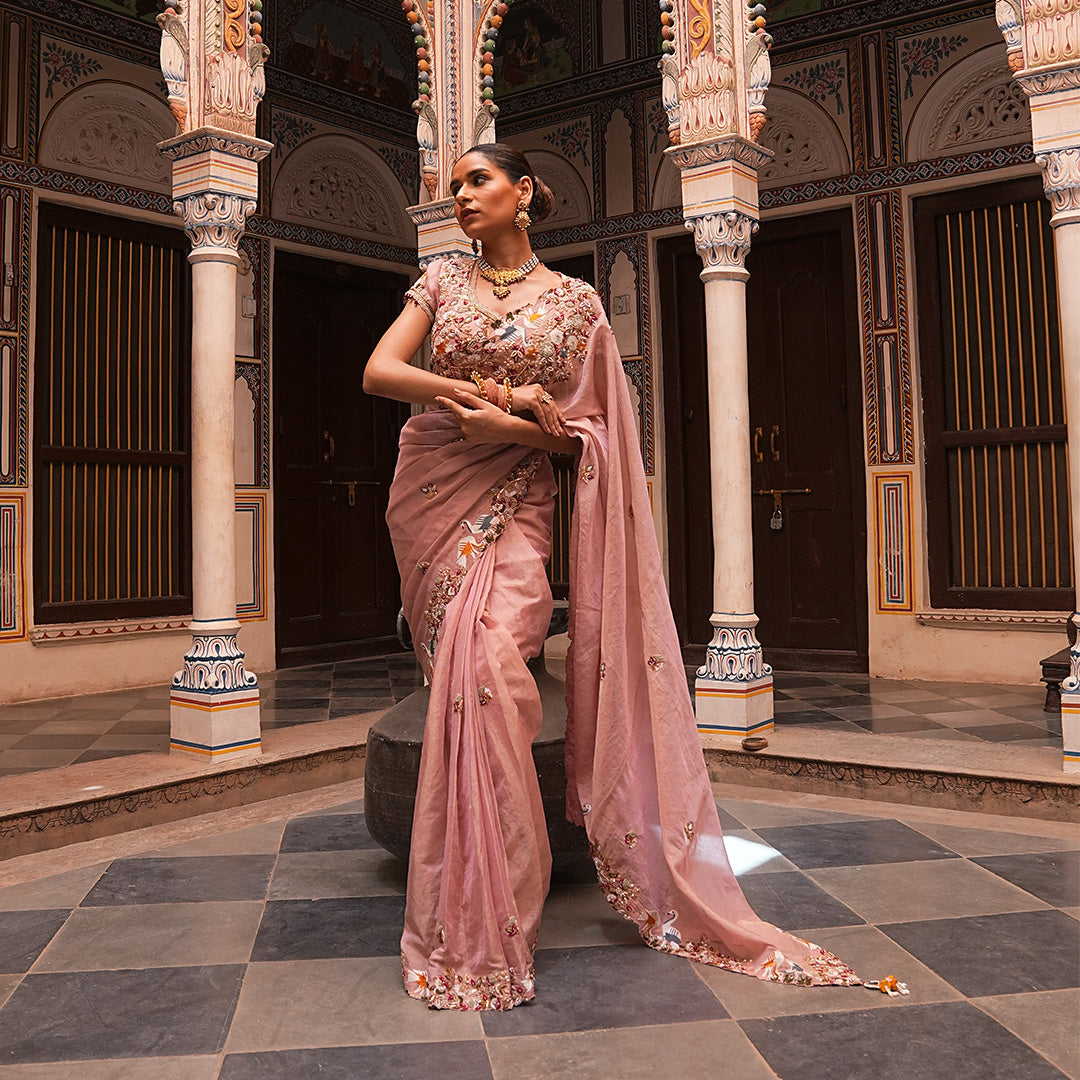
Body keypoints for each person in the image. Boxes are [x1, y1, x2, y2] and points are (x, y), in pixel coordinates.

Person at [363, 143, 878, 1011]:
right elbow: (381, 372)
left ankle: (494, 901)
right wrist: (474, 399)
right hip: (433, 501)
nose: (460, 196)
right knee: (460, 676)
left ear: (523, 192)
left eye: (477, 180)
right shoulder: (441, 283)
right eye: (452, 186)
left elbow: (592, 435)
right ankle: (470, 912)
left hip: (518, 504)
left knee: (492, 672)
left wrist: (516, 428)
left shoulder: (578, 303)